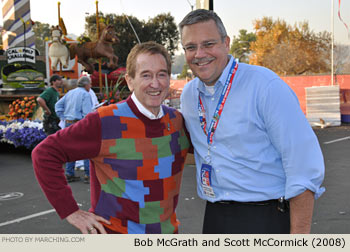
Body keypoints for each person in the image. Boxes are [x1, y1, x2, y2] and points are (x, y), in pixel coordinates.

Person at [179, 9, 325, 234]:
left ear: (226, 43)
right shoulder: (189, 96)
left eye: (208, 44)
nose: (199, 54)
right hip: (215, 217)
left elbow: (303, 167)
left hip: (266, 218)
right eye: (190, 47)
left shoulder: (265, 86)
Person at [32, 41, 191, 234]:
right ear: (130, 81)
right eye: (146, 75)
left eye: (162, 74)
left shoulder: (176, 121)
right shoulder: (104, 121)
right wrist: (70, 211)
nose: (155, 83)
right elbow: (44, 153)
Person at [55, 76, 93, 183]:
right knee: (86, 149)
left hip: (68, 123)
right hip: (79, 123)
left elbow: (58, 106)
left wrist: (63, 117)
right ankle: (88, 175)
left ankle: (69, 173)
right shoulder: (85, 94)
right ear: (86, 85)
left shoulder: (70, 92)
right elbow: (87, 114)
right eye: (90, 84)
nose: (90, 86)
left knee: (71, 149)